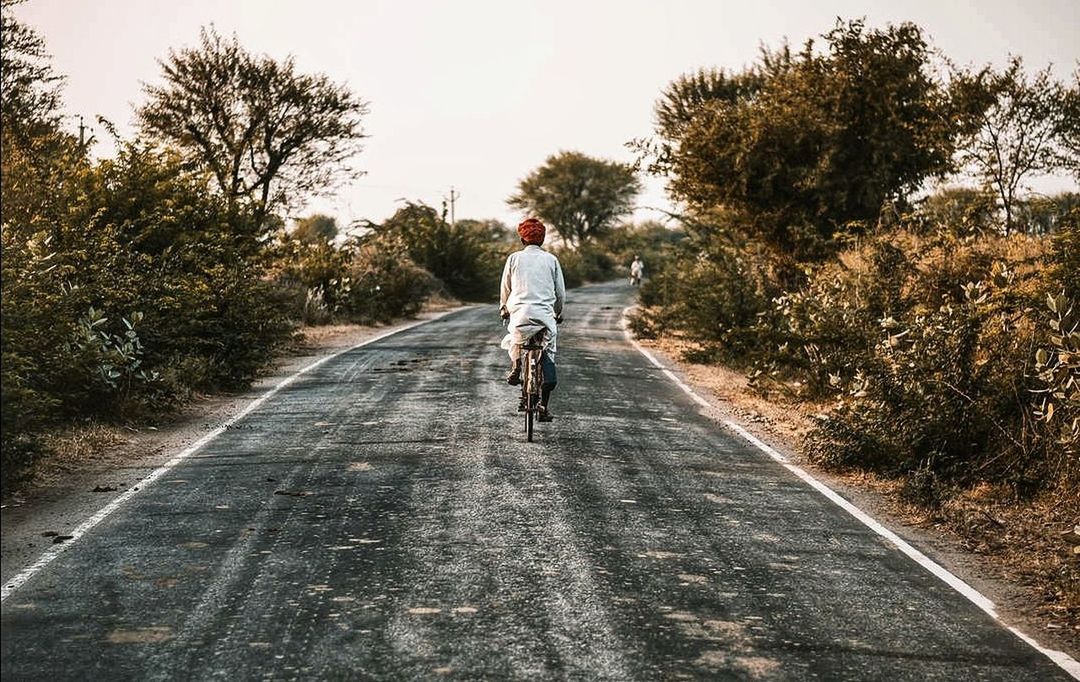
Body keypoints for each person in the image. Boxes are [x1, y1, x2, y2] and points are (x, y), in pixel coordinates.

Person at [499, 218, 565, 422]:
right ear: (542, 240)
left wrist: (504, 308)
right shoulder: (551, 259)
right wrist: (558, 312)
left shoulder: (514, 258)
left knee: (517, 338)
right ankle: (543, 406)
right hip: (544, 315)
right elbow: (560, 292)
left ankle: (517, 365)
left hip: (519, 313)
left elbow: (506, 287)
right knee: (548, 351)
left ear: (522, 239)